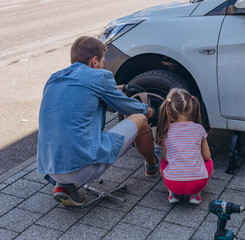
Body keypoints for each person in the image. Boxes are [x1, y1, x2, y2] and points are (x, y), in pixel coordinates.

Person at [37, 36, 160, 207]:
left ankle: (63, 187)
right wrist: (152, 111)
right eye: (102, 62)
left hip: (51, 166)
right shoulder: (98, 77)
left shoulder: (54, 79)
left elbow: (91, 91)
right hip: (84, 165)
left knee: (70, 133)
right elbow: (128, 108)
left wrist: (123, 88)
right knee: (139, 119)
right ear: (94, 61)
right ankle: (152, 165)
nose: (103, 66)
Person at [155, 88, 213, 204]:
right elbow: (207, 156)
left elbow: (167, 158)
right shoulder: (199, 129)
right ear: (191, 108)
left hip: (173, 183)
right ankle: (196, 194)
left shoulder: (166, 132)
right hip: (197, 184)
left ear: (169, 111)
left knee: (164, 162)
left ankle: (173, 193)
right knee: (209, 161)